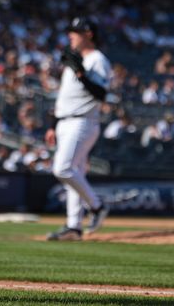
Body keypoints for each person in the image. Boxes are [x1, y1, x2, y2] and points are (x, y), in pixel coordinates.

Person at [45, 17, 112, 241]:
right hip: (65, 121)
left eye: (75, 32)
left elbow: (102, 95)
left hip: (82, 122)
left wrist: (82, 75)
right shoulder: (74, 61)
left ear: (88, 35)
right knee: (75, 173)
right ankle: (73, 226)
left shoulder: (98, 60)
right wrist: (53, 125)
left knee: (62, 169)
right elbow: (64, 98)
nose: (70, 36)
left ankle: (97, 206)